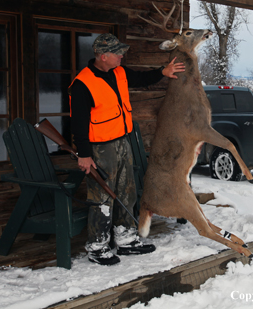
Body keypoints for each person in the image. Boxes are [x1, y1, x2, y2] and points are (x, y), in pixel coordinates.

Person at [70, 33, 185, 265]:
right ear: (104, 56)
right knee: (102, 195)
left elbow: (140, 78)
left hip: (122, 141)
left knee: (126, 191)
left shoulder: (119, 72)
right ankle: (98, 246)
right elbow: (78, 123)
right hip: (100, 148)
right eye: (117, 53)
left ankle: (125, 239)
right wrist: (83, 154)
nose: (122, 55)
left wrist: (163, 71)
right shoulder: (83, 84)